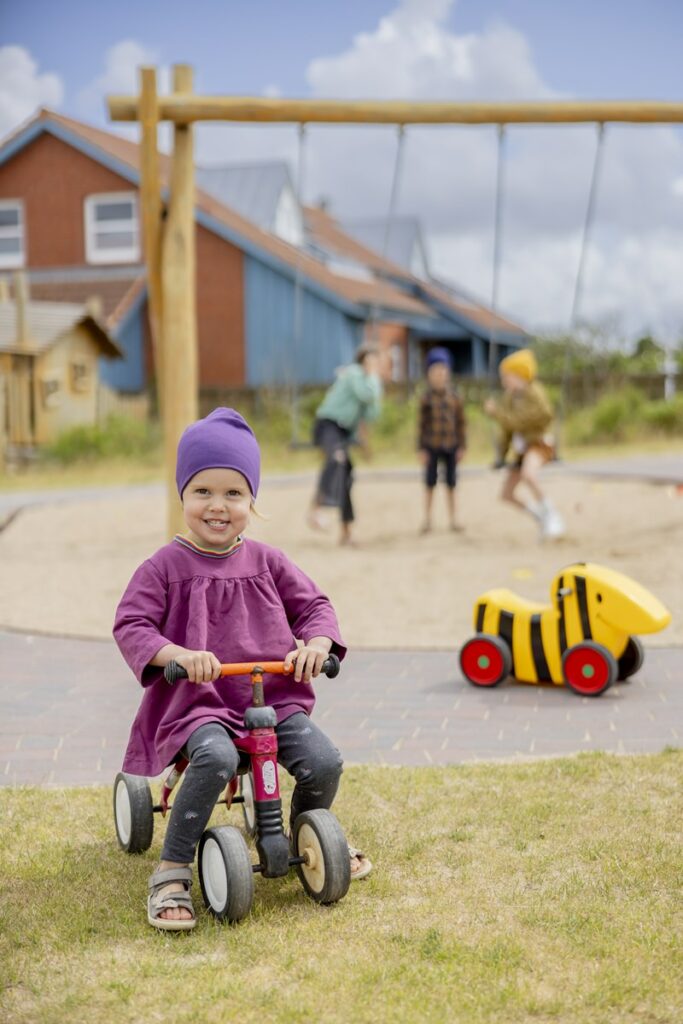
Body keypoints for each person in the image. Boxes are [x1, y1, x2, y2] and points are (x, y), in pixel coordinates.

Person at [114, 408, 371, 932]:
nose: (218, 506)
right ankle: (171, 870)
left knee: (324, 761)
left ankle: (305, 831)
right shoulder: (164, 568)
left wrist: (317, 643)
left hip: (272, 699)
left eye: (234, 493)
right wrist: (178, 655)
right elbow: (132, 624)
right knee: (214, 756)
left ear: (252, 500)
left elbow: (315, 607)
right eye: (202, 491)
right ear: (182, 496)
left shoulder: (268, 561)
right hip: (198, 706)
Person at [483, 348, 565, 540]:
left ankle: (553, 516)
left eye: (506, 376)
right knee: (506, 494)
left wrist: (497, 414)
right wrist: (500, 457)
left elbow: (525, 420)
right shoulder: (510, 398)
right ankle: (540, 517)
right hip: (522, 450)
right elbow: (507, 430)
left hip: (538, 444)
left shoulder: (535, 393)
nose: (504, 381)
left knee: (529, 475)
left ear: (519, 375)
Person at [308, 344, 383, 546]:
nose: (372, 366)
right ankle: (316, 510)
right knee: (336, 458)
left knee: (347, 476)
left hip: (343, 431)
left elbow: (371, 415)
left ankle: (346, 531)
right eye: (369, 362)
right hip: (328, 423)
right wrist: (374, 379)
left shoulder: (369, 383)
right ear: (362, 362)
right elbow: (365, 396)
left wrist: (366, 446)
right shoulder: (354, 374)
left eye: (375, 362)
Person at [417, 347, 467, 534]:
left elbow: (462, 423)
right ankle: (428, 519)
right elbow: (421, 426)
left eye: (442, 370)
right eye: (435, 371)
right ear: (429, 374)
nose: (439, 374)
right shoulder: (426, 398)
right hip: (432, 446)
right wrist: (421, 448)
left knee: (452, 483)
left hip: (451, 445)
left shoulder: (455, 397)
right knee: (430, 483)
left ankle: (454, 518)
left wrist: (462, 445)